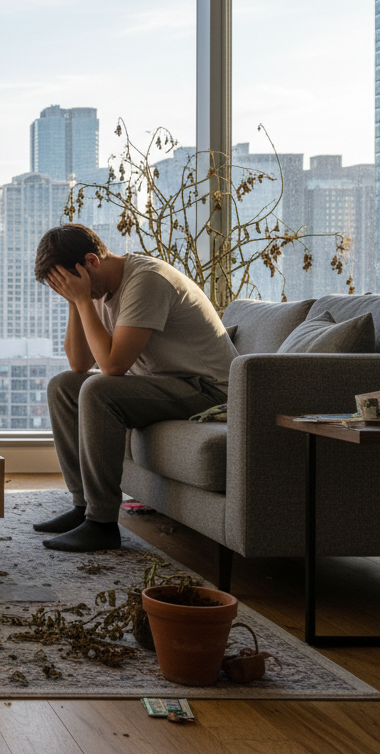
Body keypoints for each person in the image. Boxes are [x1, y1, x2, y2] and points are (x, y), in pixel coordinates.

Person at [33, 223, 236, 553]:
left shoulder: (146, 280)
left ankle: (102, 524)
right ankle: (82, 507)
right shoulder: (95, 289)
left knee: (99, 390)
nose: (70, 291)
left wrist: (83, 300)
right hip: (166, 384)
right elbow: (79, 364)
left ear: (91, 261)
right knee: (64, 385)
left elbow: (112, 367)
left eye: (70, 283)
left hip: (209, 391)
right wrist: (75, 302)